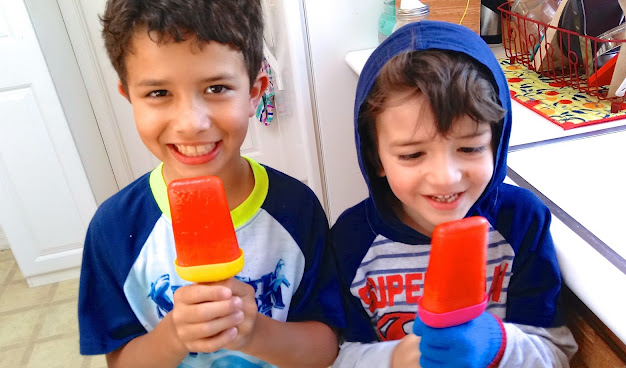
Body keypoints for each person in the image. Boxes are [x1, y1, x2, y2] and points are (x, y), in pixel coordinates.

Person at [77, 0, 344, 367]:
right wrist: (173, 336)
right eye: (158, 93)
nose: (191, 122)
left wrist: (254, 333)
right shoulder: (113, 229)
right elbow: (121, 362)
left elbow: (325, 348)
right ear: (129, 97)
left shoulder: (297, 209)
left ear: (254, 92)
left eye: (217, 88)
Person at [330, 20, 578, 367]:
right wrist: (398, 357)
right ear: (376, 157)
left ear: (497, 142)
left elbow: (556, 353)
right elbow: (339, 358)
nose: (446, 179)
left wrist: (497, 344)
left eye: (470, 148)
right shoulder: (351, 240)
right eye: (413, 154)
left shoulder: (520, 221)